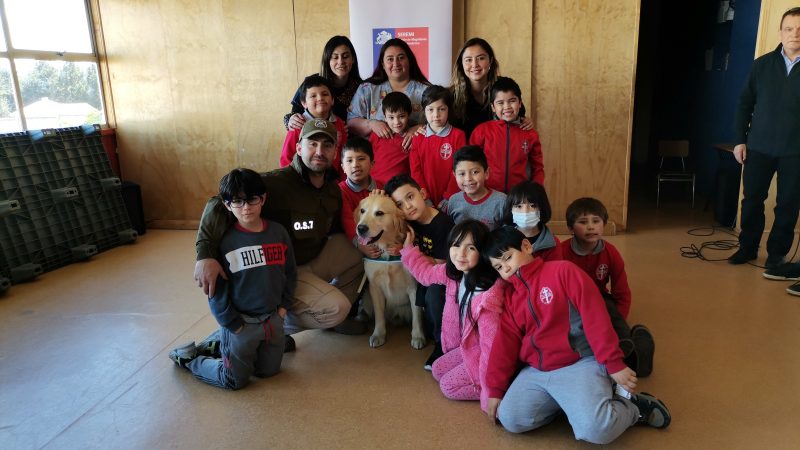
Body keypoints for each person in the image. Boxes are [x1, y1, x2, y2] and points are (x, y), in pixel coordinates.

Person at [483, 226, 671, 443]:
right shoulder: (512, 298)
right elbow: (504, 344)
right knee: (511, 419)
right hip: (537, 371)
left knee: (596, 430)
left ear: (526, 246)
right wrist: (495, 389)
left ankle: (632, 408)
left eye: (507, 258)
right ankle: (574, 405)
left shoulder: (562, 271)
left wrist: (612, 362)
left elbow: (595, 315)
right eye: (498, 266)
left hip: (580, 363)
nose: (506, 268)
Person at [194, 120, 367, 353]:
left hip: (313, 258)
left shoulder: (332, 189)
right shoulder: (276, 183)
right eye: (312, 143)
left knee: (359, 251)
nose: (319, 151)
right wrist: (205, 254)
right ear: (298, 148)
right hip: (283, 272)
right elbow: (218, 201)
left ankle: (329, 320)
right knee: (336, 308)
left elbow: (339, 228)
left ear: (335, 151)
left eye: (327, 145)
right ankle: (267, 330)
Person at [170, 168, 296, 390]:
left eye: (252, 200)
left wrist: (284, 308)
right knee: (234, 381)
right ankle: (191, 359)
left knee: (269, 372)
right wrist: (233, 325)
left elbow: (290, 272)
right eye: (237, 202)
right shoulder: (225, 241)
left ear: (263, 199)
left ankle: (221, 344)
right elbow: (216, 291)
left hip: (272, 319)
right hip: (241, 323)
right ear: (227, 205)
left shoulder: (278, 232)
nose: (246, 207)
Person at [400, 220, 504, 413]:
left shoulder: (487, 294)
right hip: (466, 347)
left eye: (470, 247)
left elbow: (491, 348)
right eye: (456, 245)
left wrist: (491, 395)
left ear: (482, 253)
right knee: (438, 369)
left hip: (485, 356)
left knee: (448, 387)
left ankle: (493, 388)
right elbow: (425, 274)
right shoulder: (454, 273)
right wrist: (409, 249)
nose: (461, 254)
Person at [729, 7, 800, 272]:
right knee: (751, 200)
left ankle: (777, 255)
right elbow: (743, 105)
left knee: (788, 204)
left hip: (796, 151)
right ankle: (747, 248)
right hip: (758, 147)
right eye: (789, 28)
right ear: (781, 32)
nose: (795, 34)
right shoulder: (762, 65)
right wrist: (739, 140)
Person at [560, 197, 655, 377]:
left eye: (596, 221)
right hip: (571, 302)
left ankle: (630, 349)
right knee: (579, 333)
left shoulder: (611, 252)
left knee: (612, 320)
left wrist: (618, 319)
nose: (590, 227)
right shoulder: (562, 252)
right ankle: (620, 358)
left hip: (601, 299)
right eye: (582, 222)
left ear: (603, 225)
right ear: (571, 228)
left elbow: (622, 292)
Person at [384, 174, 454, 369]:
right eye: (399, 204)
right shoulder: (410, 223)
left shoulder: (442, 224)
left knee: (434, 293)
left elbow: (440, 265)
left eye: (410, 197)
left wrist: (409, 251)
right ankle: (436, 334)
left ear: (422, 193)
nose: (407, 206)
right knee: (430, 327)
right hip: (423, 275)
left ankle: (442, 347)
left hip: (443, 279)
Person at [347, 38, 430, 147]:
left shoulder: (427, 91)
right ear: (382, 63)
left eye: (401, 58)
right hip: (374, 158)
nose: (396, 63)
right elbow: (351, 122)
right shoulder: (367, 89)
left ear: (409, 60)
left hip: (415, 156)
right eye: (390, 59)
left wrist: (421, 127)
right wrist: (371, 124)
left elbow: (441, 121)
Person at [469, 76, 544, 194]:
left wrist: (535, 191)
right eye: (500, 103)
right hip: (487, 195)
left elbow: (537, 167)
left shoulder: (530, 134)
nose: (507, 107)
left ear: (520, 103)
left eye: (512, 101)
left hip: (519, 197)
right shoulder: (481, 131)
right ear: (493, 107)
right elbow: (469, 163)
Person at [449, 38, 534, 139]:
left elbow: (518, 117)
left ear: (491, 60)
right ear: (461, 64)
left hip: (497, 152)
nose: (475, 64)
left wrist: (525, 121)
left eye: (481, 58)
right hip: (464, 153)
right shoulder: (451, 95)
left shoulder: (504, 87)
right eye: (468, 60)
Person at [284, 35, 362, 130]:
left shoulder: (362, 88)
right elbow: (294, 114)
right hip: (316, 141)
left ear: (353, 59)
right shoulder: (312, 83)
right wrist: (291, 120)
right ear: (327, 60)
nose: (341, 61)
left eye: (345, 56)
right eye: (335, 57)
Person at [279, 75, 347, 180]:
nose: (320, 98)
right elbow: (286, 158)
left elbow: (344, 156)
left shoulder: (339, 124)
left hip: (332, 183)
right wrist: (291, 182)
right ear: (304, 103)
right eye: (313, 96)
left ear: (332, 100)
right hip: (302, 182)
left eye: (324, 94)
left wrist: (341, 183)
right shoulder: (298, 124)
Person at [409, 85, 464, 208]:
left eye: (441, 109)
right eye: (430, 109)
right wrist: (424, 196)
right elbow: (415, 170)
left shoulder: (458, 136)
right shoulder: (418, 137)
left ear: (449, 109)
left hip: (451, 200)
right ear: (424, 110)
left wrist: (449, 197)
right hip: (424, 199)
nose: (436, 115)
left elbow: (459, 169)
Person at [339, 136, 384, 258]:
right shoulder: (341, 191)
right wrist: (359, 244)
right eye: (349, 161)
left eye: (361, 159)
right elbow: (347, 220)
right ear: (343, 167)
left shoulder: (382, 187)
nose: (355, 165)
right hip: (355, 240)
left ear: (372, 164)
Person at [446, 145, 506, 230]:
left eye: (475, 172)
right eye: (462, 174)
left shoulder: (501, 201)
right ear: (455, 175)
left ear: (486, 173)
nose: (468, 179)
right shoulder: (453, 201)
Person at [503, 181, 562, 261]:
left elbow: (555, 271)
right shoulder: (502, 238)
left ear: (542, 208)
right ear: (510, 210)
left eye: (532, 206)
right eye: (519, 206)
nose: (525, 211)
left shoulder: (552, 243)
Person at [369, 91, 413, 186]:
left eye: (401, 116)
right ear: (385, 117)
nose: (396, 122)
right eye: (391, 117)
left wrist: (418, 127)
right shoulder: (378, 134)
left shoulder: (412, 138)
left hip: (399, 189)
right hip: (374, 187)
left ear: (408, 115)